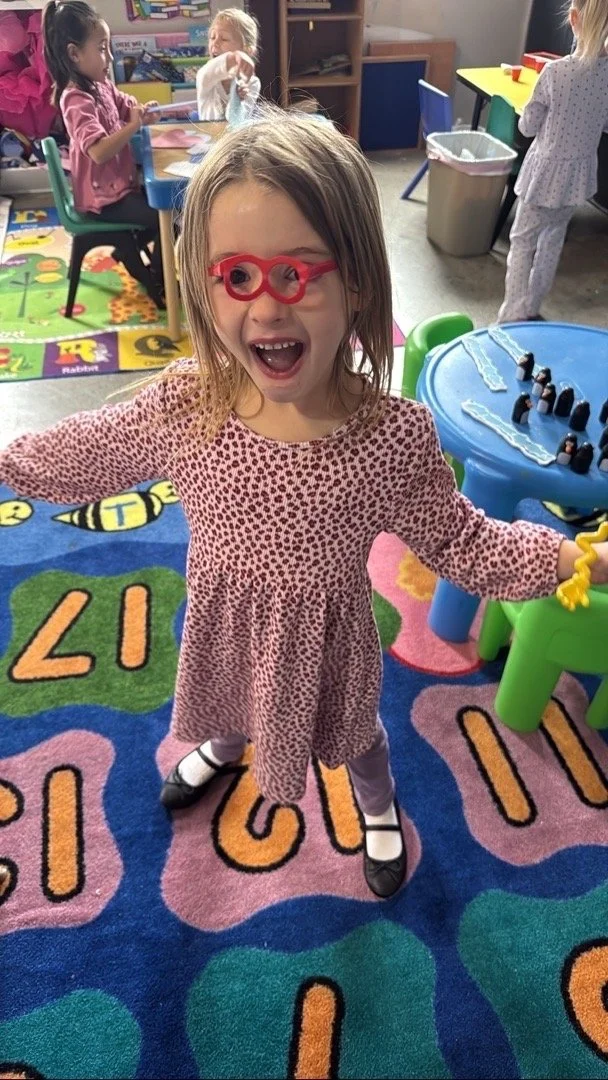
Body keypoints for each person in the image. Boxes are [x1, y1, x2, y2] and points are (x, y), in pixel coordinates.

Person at [3, 113, 608, 900]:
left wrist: (574, 556)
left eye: (295, 274)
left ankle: (379, 808)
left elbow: (463, 542)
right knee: (227, 699)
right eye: (237, 276)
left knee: (356, 739)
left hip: (327, 640)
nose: (265, 309)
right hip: (225, 619)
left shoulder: (390, 437)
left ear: (356, 282)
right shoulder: (187, 406)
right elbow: (89, 448)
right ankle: (227, 748)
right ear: (204, 286)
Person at [42, 0, 166, 308]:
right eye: (102, 49)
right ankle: (159, 281)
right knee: (168, 218)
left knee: (165, 212)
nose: (109, 57)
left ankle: (130, 252)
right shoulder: (75, 99)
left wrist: (140, 112)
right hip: (102, 200)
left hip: (118, 189)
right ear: (74, 54)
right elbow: (98, 151)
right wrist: (133, 126)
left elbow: (124, 103)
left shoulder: (101, 85)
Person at [498, 0, 608, 322]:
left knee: (523, 240)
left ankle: (512, 313)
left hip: (544, 176)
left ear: (573, 19)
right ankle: (532, 306)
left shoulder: (555, 72)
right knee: (553, 239)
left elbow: (527, 127)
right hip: (577, 178)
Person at [195, 7, 261, 122]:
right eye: (212, 37)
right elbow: (205, 73)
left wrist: (238, 101)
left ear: (248, 50)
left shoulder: (252, 83)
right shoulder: (206, 77)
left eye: (224, 39)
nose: (215, 43)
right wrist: (234, 57)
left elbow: (235, 122)